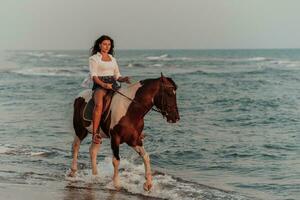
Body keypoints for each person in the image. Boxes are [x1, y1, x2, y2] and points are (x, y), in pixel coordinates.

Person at [89, 35, 130, 144]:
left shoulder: (113, 59)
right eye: (104, 44)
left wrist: (124, 79)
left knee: (128, 101)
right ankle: (95, 134)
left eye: (109, 44)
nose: (107, 46)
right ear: (100, 45)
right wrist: (104, 85)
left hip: (113, 84)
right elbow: (94, 76)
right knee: (99, 105)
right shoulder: (94, 58)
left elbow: (117, 76)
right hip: (99, 85)